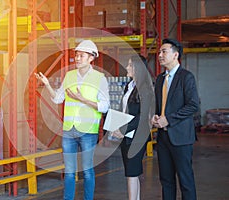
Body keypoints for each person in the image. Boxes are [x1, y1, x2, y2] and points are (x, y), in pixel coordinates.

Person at [35, 39, 110, 200]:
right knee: (69, 171)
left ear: (91, 58)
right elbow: (58, 99)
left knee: (87, 170)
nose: (77, 58)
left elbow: (104, 106)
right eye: (76, 55)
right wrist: (47, 84)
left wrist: (82, 99)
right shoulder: (69, 76)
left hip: (88, 131)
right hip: (69, 130)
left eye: (81, 55)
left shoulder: (99, 78)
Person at [151, 38, 199, 200]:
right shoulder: (160, 79)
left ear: (175, 54)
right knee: (166, 180)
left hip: (181, 138)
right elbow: (159, 106)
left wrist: (169, 119)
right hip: (163, 137)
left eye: (164, 51)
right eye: (159, 52)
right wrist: (155, 116)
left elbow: (193, 105)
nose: (160, 55)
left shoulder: (186, 77)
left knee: (185, 180)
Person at [111, 55, 154, 200]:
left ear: (138, 68)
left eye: (130, 65)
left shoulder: (146, 89)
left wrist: (122, 130)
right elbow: (124, 111)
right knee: (132, 173)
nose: (127, 68)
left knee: (131, 172)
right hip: (127, 135)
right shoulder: (129, 86)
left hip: (137, 136)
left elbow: (143, 116)